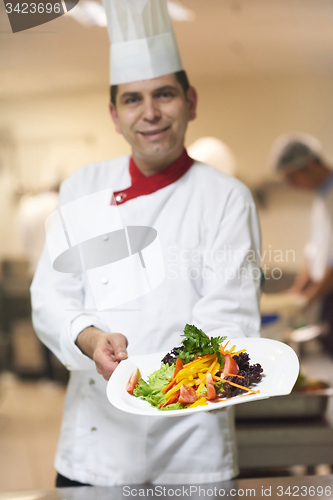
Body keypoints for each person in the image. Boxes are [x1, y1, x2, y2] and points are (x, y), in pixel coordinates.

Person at [31, 0, 261, 487]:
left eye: (164, 95)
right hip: (96, 448)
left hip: (192, 446)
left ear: (191, 101)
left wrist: (158, 382)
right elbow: (52, 296)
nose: (150, 113)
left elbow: (229, 319)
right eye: (133, 100)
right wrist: (91, 339)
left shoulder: (226, 199)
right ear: (114, 115)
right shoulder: (82, 188)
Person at [271, 133, 333, 354]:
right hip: (326, 294)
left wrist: (306, 299)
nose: (292, 186)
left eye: (292, 178)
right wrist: (296, 293)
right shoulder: (322, 197)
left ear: (309, 165)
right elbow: (316, 252)